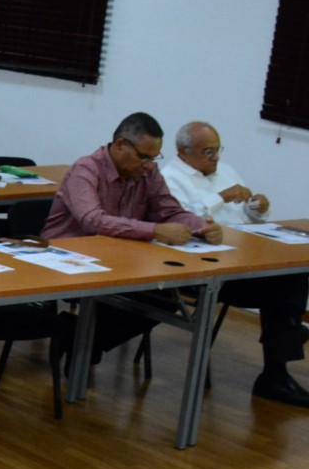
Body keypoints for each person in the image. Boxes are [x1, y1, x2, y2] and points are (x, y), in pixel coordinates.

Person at [42, 113, 224, 371]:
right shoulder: (86, 169)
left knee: (169, 296)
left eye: (154, 158)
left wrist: (200, 226)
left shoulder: (147, 173)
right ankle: (82, 338)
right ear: (120, 146)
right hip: (69, 256)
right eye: (144, 157)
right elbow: (92, 221)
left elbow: (169, 210)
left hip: (122, 257)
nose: (150, 165)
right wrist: (155, 230)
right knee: (132, 293)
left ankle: (85, 339)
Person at [162, 121, 309, 406]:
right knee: (283, 288)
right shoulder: (170, 178)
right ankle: (285, 347)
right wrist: (221, 197)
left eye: (218, 150)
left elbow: (245, 218)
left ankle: (277, 370)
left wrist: (256, 209)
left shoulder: (225, 171)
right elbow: (182, 219)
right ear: (183, 151)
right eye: (208, 152)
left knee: (293, 275)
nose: (216, 158)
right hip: (204, 267)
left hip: (242, 257)